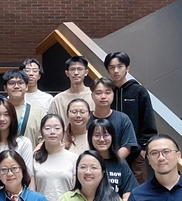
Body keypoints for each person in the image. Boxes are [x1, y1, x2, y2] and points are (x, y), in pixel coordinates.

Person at [105, 51, 157, 184]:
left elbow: (148, 120)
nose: (116, 71)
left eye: (120, 66)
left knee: (137, 190)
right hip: (110, 152)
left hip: (135, 153)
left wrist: (143, 148)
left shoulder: (139, 91)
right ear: (107, 70)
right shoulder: (106, 93)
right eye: (112, 67)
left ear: (127, 68)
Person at [89, 77, 138, 159]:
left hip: (116, 163)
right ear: (92, 96)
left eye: (107, 93)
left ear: (113, 95)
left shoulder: (123, 118)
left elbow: (126, 147)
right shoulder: (86, 118)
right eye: (98, 93)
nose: (103, 96)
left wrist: (111, 162)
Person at [2, 69, 45, 147]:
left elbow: (44, 140)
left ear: (26, 87)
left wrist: (32, 154)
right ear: (5, 88)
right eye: (11, 83)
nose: (16, 86)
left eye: (20, 83)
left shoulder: (39, 112)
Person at [49, 56, 95, 127]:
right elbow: (51, 124)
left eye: (80, 69)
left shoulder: (94, 96)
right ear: (67, 73)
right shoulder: (58, 99)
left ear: (86, 72)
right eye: (72, 69)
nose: (76, 73)